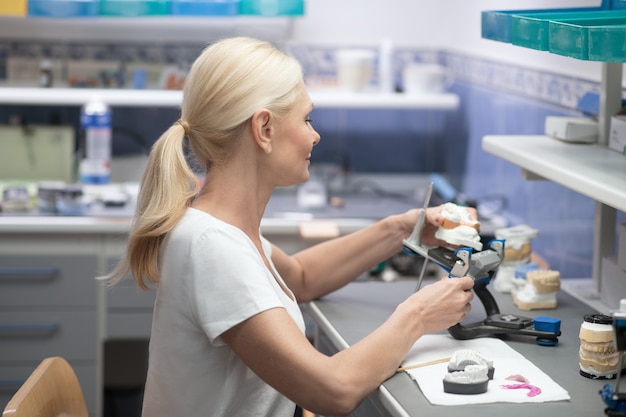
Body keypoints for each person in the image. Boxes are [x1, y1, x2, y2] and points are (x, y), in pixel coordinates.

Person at [103, 36, 475, 417]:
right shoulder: (211, 245)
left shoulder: (220, 226)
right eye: (306, 118)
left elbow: (300, 278)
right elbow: (334, 390)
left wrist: (402, 230)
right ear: (264, 128)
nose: (315, 135)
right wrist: (417, 316)